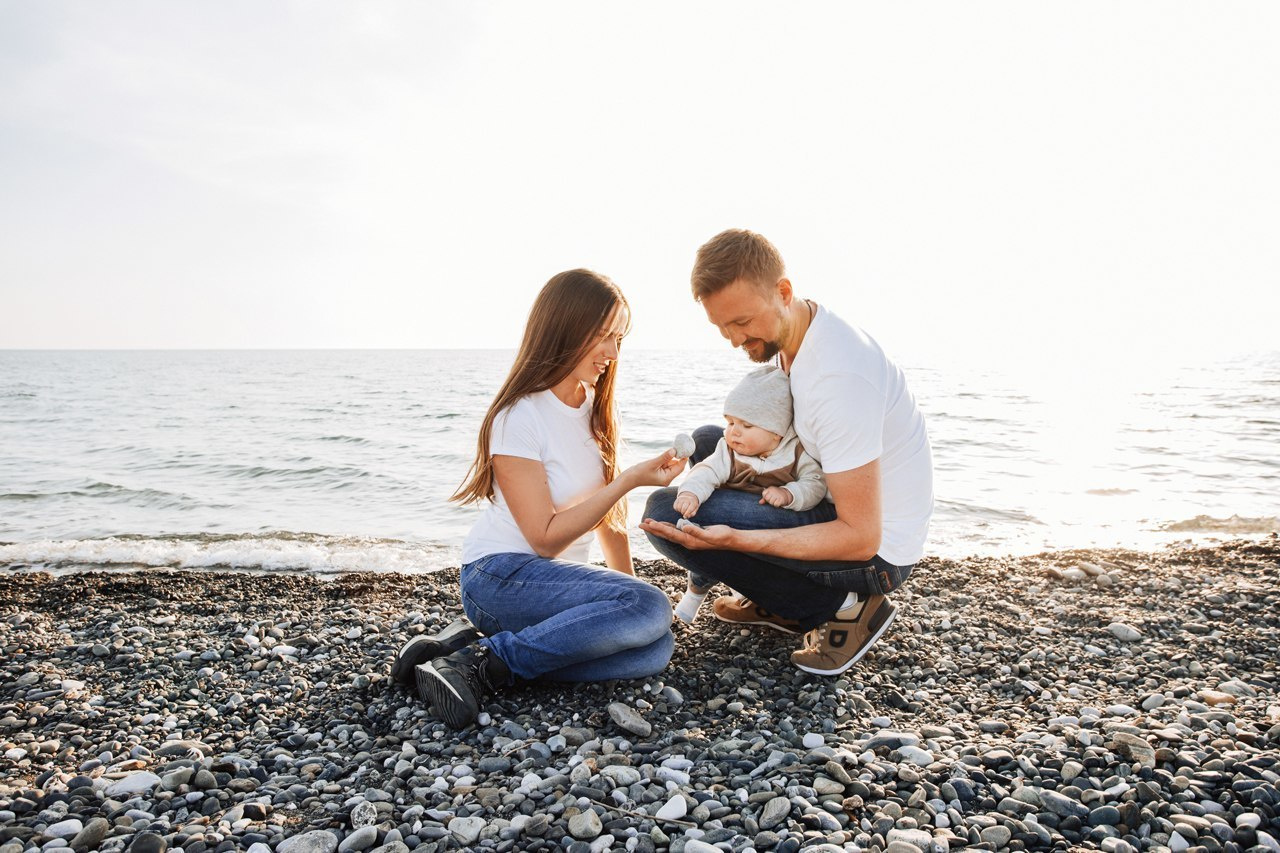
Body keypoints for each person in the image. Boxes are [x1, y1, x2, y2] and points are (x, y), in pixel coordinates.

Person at [397, 269, 685, 729]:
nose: (613, 353)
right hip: (499, 576)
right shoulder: (519, 416)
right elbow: (544, 539)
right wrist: (629, 480)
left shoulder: (594, 407)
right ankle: (480, 665)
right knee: (650, 608)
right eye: (603, 336)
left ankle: (468, 650)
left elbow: (609, 520)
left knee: (653, 647)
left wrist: (628, 598)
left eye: (618, 338)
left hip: (551, 587)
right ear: (565, 328)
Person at [641, 229, 933, 676]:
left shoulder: (839, 377)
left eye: (742, 322)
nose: (734, 339)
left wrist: (736, 540)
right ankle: (775, 595)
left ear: (783, 292)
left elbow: (861, 537)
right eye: (722, 327)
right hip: (828, 497)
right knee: (710, 441)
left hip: (877, 554)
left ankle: (840, 607)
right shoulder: (794, 338)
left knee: (665, 513)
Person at [670, 365, 826, 623]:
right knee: (706, 540)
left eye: (746, 425)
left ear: (776, 432)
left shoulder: (796, 453)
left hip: (769, 523)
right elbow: (706, 471)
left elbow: (815, 483)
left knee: (744, 558)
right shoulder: (729, 450)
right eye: (730, 422)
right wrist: (690, 494)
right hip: (730, 512)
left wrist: (790, 493)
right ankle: (695, 593)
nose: (734, 431)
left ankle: (746, 591)